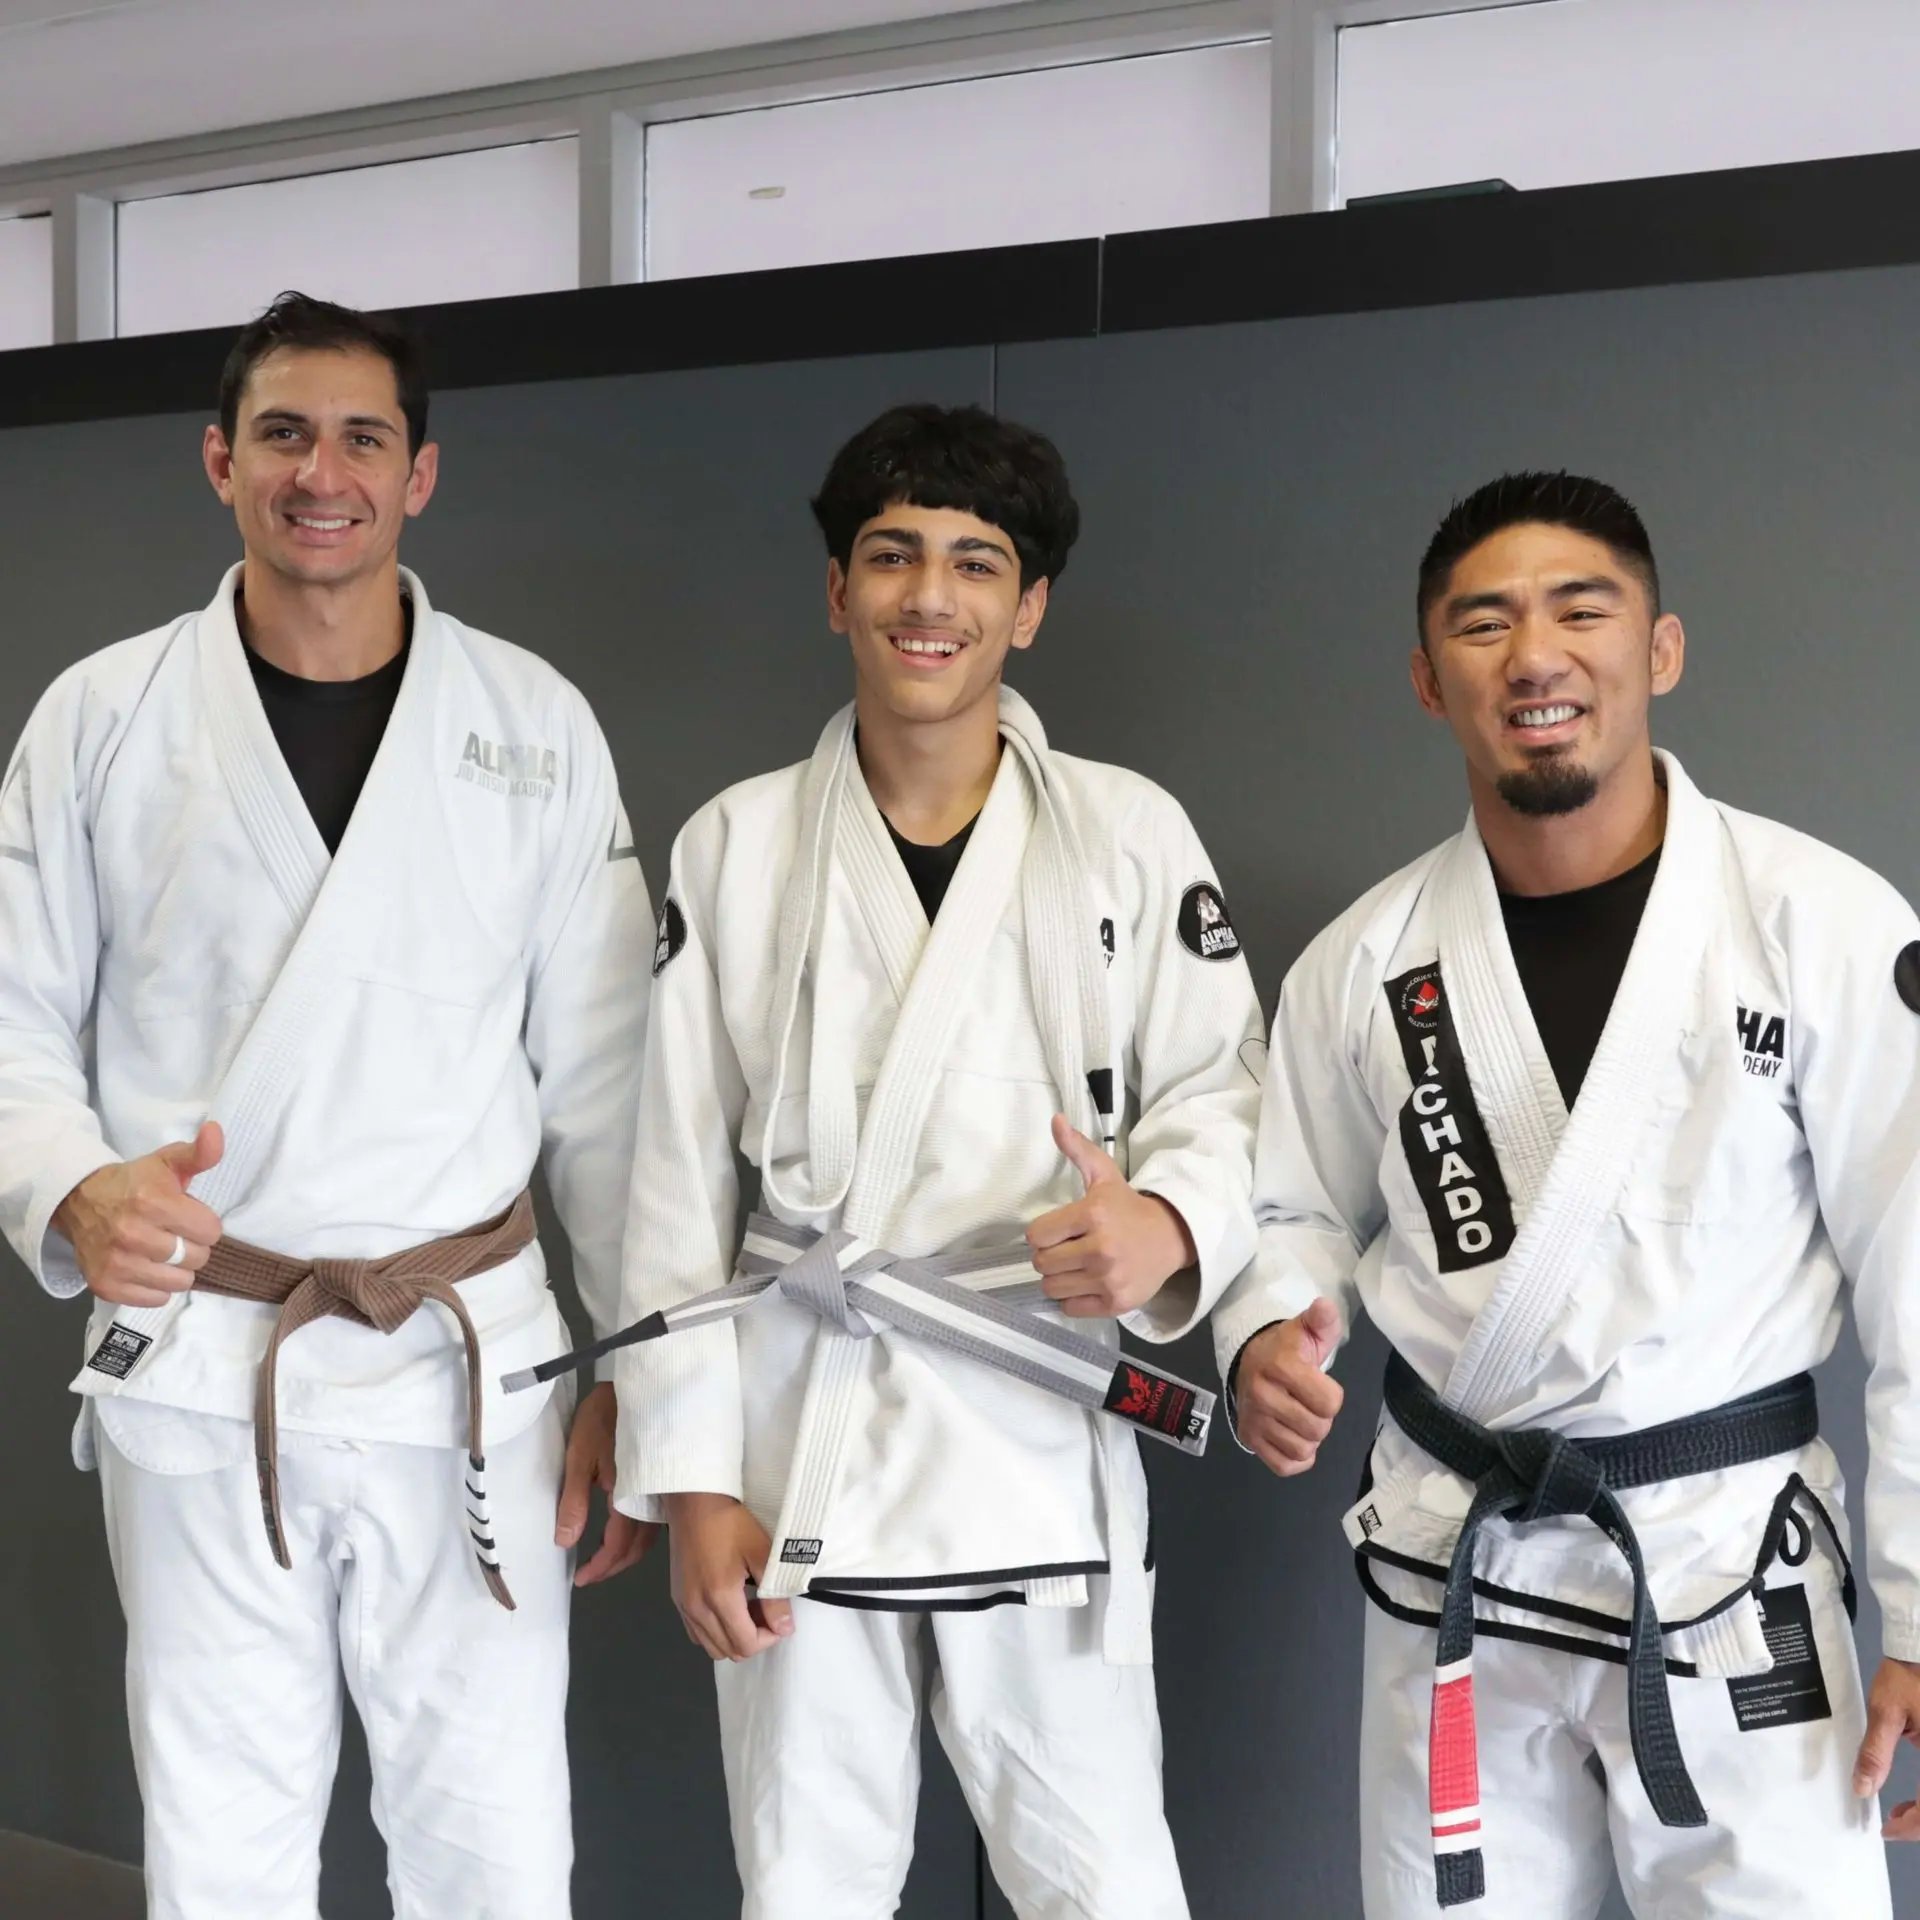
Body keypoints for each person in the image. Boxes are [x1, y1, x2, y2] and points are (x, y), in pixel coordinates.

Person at [0, 291, 653, 1918]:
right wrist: (71, 1190)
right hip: (213, 1354)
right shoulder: (101, 718)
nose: (322, 472)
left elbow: (614, 1093)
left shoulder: (532, 726)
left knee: (494, 1833)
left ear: (419, 474)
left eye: (363, 437)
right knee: (221, 1833)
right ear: (221, 460)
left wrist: (643, 1375)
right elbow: (6, 1016)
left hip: (472, 1362)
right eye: (283, 433)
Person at [1214, 469, 1920, 1917]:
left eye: (1579, 610)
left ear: (1659, 649)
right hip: (1456, 1569)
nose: (1534, 656)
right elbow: (1285, 1209)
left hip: (1730, 1571)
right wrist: (1263, 1332)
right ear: (1430, 681)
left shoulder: (1821, 926)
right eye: (1485, 625)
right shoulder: (1366, 964)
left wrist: (1919, 1607)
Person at [609, 403, 1262, 1917]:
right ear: (836, 588)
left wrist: (1165, 1221)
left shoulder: (1127, 833)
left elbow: (1228, 1088)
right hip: (798, 1451)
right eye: (892, 556)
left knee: (1109, 1890)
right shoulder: (737, 843)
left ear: (1028, 608)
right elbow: (671, 1181)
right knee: (807, 1888)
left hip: (1040, 1443)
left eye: (977, 564)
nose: (930, 597)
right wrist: (694, 1480)